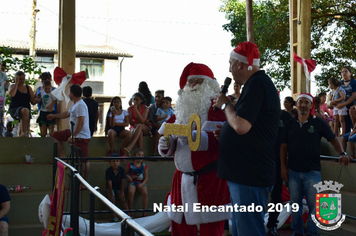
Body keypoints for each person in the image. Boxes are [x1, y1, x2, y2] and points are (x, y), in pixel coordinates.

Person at [213, 41, 280, 236]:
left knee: (248, 231)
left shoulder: (257, 84)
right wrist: (227, 129)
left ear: (240, 65)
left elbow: (241, 126)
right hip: (246, 175)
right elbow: (244, 125)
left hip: (249, 176)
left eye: (231, 64)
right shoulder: (257, 84)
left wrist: (225, 105)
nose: (229, 69)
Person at [158, 62, 230, 236]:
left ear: (209, 85)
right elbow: (168, 135)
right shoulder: (181, 111)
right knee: (180, 228)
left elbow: (221, 141)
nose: (193, 85)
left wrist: (195, 137)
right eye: (191, 82)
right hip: (181, 179)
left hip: (209, 179)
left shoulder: (217, 110)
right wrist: (166, 146)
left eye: (198, 81)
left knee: (211, 230)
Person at [280, 93, 351, 236]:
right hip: (293, 172)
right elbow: (283, 147)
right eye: (301, 102)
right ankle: (297, 231)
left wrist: (342, 153)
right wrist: (283, 167)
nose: (303, 105)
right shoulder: (289, 124)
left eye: (307, 102)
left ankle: (313, 232)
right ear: (296, 104)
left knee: (314, 207)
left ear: (311, 105)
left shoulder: (318, 123)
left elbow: (333, 139)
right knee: (295, 206)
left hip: (312, 172)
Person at [48, 84, 91, 182]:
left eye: (69, 93)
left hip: (81, 136)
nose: (68, 94)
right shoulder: (75, 104)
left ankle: (84, 182)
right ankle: (63, 157)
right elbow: (67, 113)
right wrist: (55, 116)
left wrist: (73, 136)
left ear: (72, 94)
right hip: (74, 132)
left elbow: (81, 122)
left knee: (84, 160)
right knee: (55, 135)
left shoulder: (80, 105)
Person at [8, 71, 36, 137]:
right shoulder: (12, 86)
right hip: (15, 109)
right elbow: (11, 94)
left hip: (26, 111)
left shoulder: (28, 88)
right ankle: (24, 132)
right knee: (25, 110)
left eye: (23, 79)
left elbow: (32, 101)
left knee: (26, 112)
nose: (22, 81)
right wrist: (16, 83)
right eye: (20, 79)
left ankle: (22, 134)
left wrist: (38, 99)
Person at [125, 148, 148, 217]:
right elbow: (125, 173)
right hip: (132, 182)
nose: (140, 156)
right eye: (139, 155)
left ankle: (144, 211)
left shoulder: (144, 166)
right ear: (135, 156)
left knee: (145, 192)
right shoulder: (130, 165)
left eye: (142, 155)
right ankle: (131, 210)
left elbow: (146, 177)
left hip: (140, 182)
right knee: (131, 192)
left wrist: (142, 184)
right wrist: (128, 177)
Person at [106, 153, 128, 222]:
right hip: (111, 187)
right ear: (110, 162)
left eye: (117, 161)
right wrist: (111, 193)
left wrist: (121, 191)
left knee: (123, 199)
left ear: (120, 162)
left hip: (119, 187)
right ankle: (114, 216)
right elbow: (109, 182)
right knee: (112, 200)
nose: (115, 163)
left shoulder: (122, 170)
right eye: (113, 161)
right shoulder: (108, 170)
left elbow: (123, 181)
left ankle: (128, 214)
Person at [336, 66, 356, 133]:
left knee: (354, 126)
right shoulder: (339, 84)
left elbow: (354, 96)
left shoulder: (354, 82)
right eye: (342, 72)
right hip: (342, 108)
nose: (344, 73)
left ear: (350, 73)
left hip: (352, 106)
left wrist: (343, 104)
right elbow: (335, 94)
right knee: (345, 127)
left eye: (346, 71)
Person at [146, 90, 164, 155]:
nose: (157, 99)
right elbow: (151, 122)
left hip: (164, 127)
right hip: (155, 127)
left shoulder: (167, 107)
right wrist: (159, 126)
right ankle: (154, 153)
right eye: (156, 97)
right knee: (157, 132)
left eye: (159, 97)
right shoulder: (151, 108)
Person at [0, 64, 9, 137]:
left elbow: (5, 90)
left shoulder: (4, 77)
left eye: (3, 69)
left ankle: (1, 135)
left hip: (1, 103)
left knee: (1, 119)